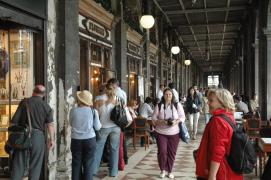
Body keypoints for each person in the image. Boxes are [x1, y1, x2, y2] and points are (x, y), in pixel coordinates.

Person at [196, 88, 243, 180]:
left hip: (221, 171)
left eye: (211, 101)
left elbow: (219, 149)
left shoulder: (218, 121)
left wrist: (212, 176)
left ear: (222, 103)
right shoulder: (228, 117)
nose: (208, 103)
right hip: (228, 168)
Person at [10, 85, 55, 180]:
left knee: (18, 164)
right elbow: (50, 125)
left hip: (23, 136)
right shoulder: (46, 106)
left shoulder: (24, 102)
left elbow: (14, 121)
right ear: (43, 95)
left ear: (33, 92)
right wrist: (52, 140)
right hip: (38, 137)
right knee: (35, 165)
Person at [152, 88, 185, 179]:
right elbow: (153, 119)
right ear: (163, 95)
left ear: (172, 95)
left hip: (174, 133)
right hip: (161, 132)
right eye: (166, 94)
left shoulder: (177, 105)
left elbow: (182, 117)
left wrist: (176, 122)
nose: (168, 96)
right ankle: (162, 170)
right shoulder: (159, 105)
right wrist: (160, 121)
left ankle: (170, 170)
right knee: (162, 152)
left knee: (172, 153)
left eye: (170, 94)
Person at [69, 90, 101, 180]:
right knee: (88, 164)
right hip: (90, 139)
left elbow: (71, 123)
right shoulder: (93, 111)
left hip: (75, 139)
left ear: (79, 100)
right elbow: (98, 127)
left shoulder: (73, 110)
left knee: (76, 163)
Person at [92, 84, 121, 177]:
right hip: (116, 127)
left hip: (103, 127)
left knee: (98, 148)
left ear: (104, 89)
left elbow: (95, 115)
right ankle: (113, 172)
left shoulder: (98, 99)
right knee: (114, 149)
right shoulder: (117, 99)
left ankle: (93, 170)